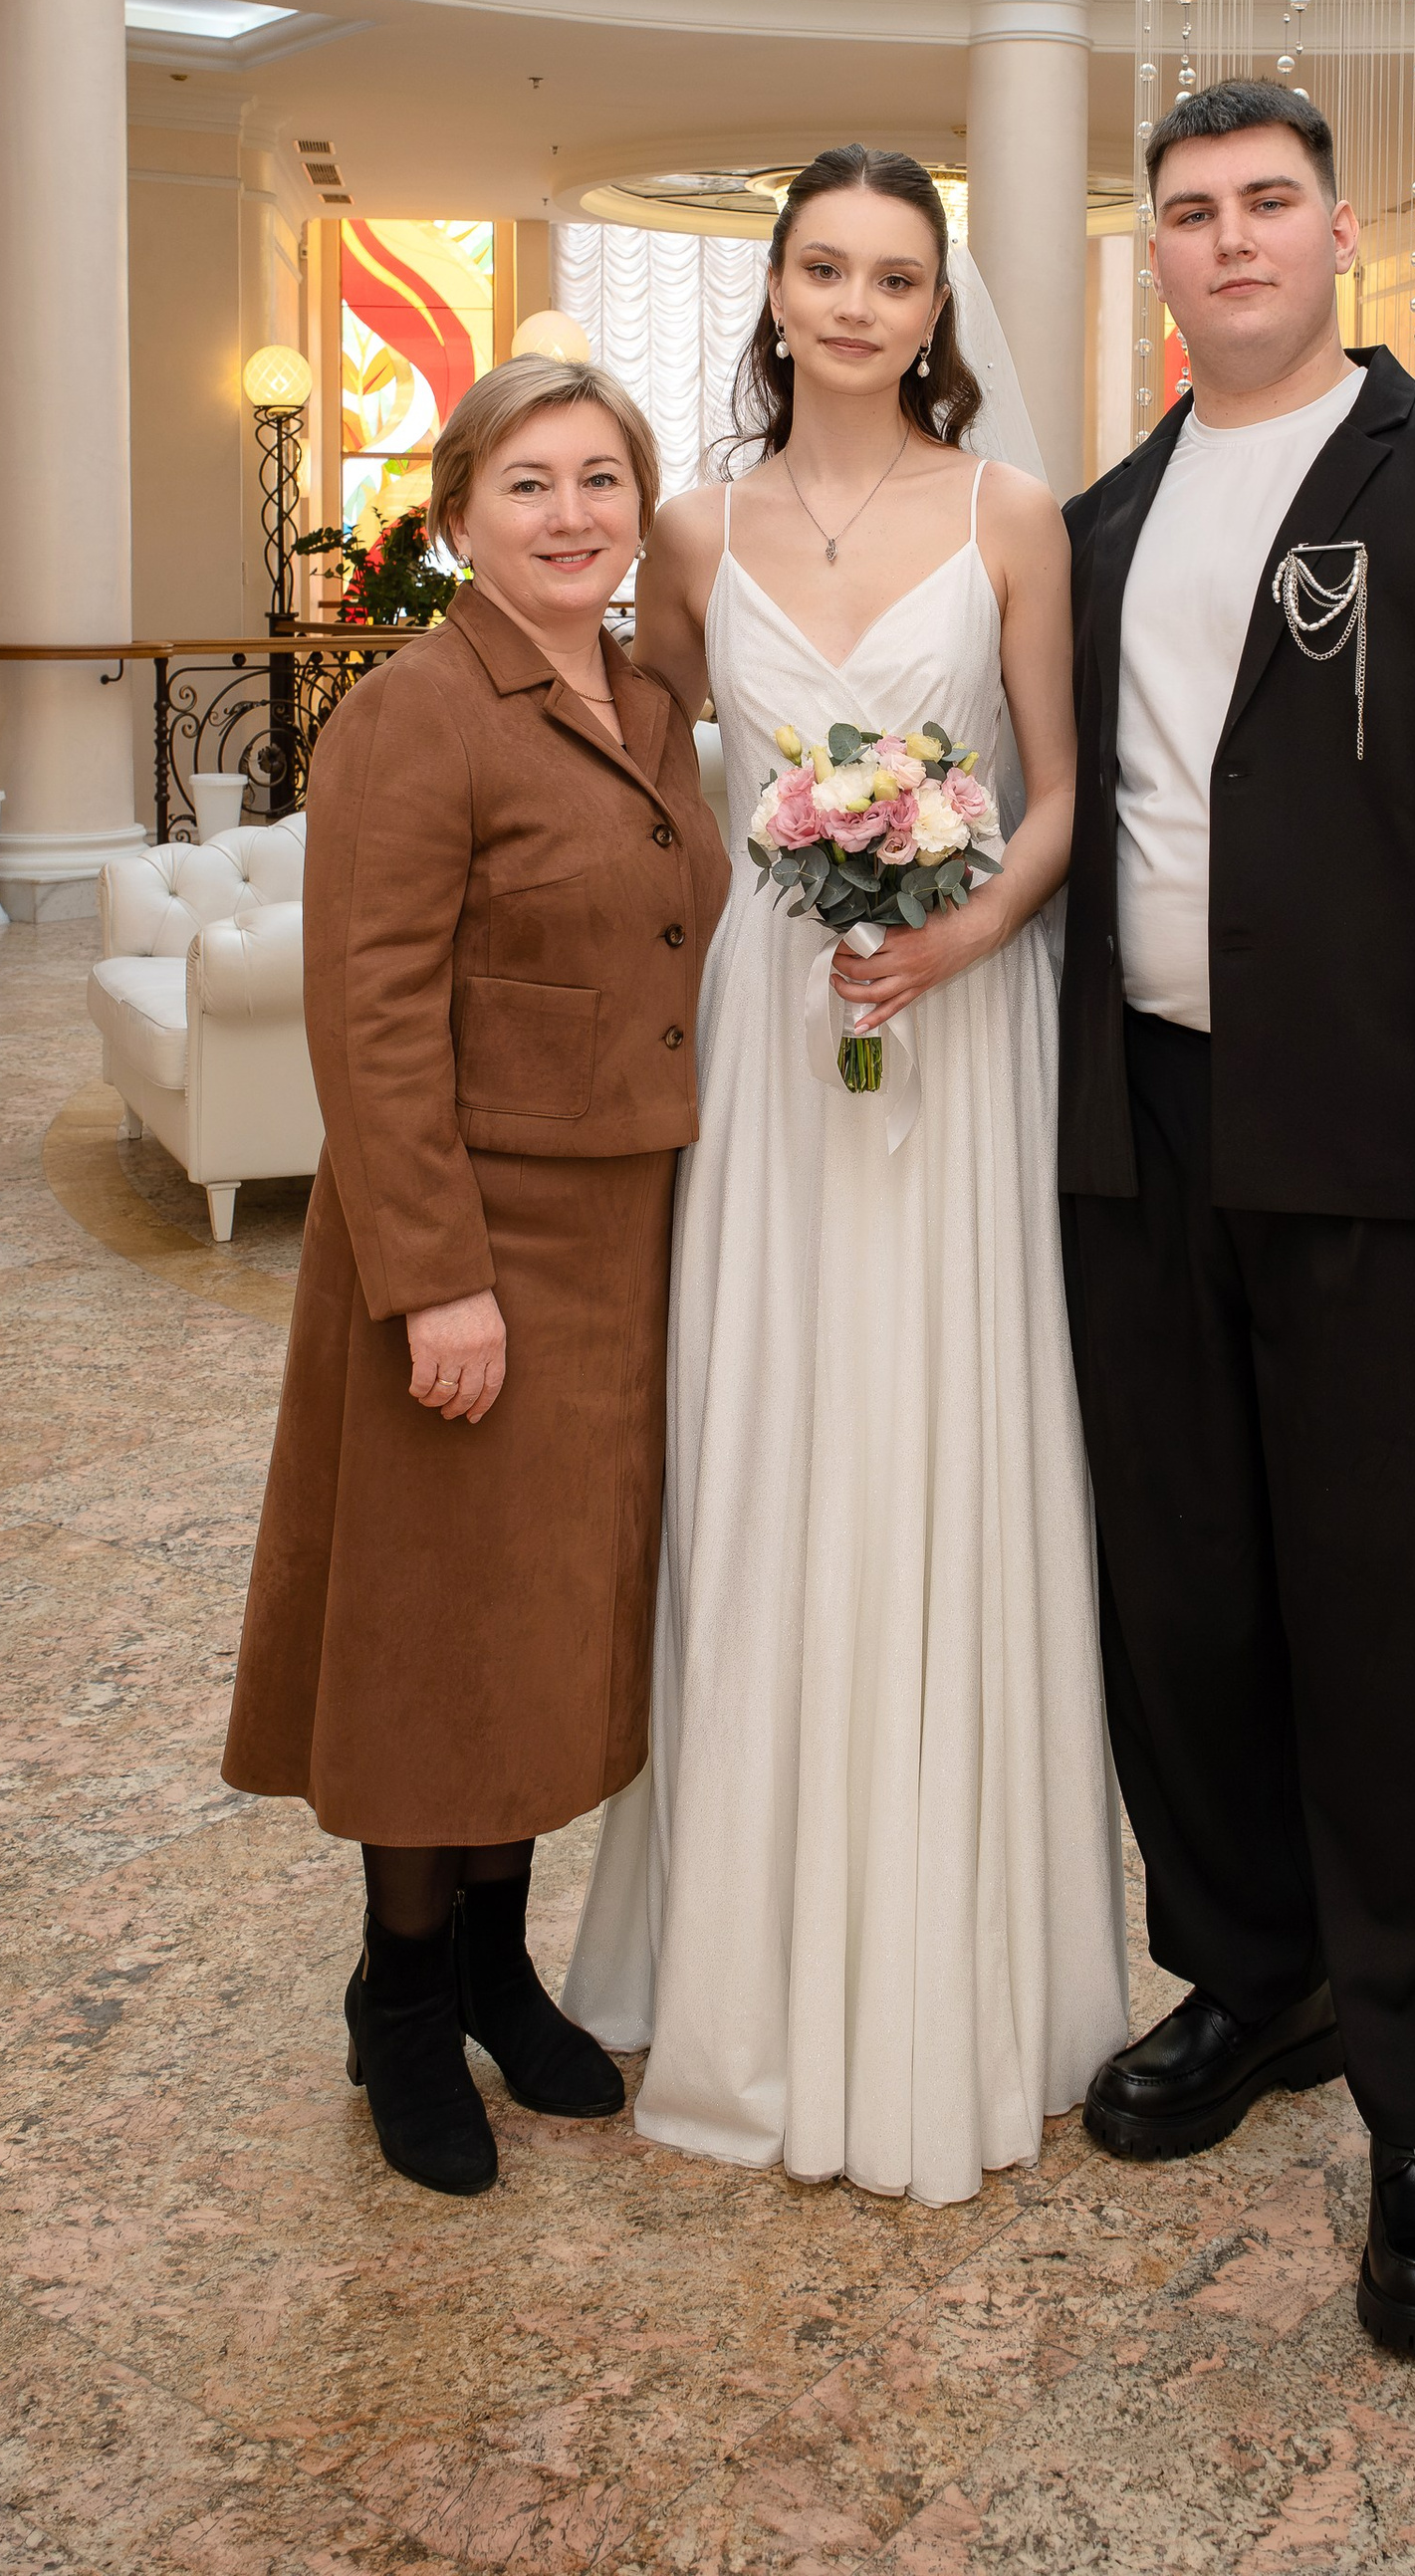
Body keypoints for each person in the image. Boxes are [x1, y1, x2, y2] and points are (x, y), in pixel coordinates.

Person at [1058, 79, 1415, 2355]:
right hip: (1144, 1136)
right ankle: (1253, 1971)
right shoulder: (1097, 522)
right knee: (1184, 1596)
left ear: (1337, 230)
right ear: (1152, 252)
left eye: (1265, 202)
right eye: (1189, 211)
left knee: (1411, 1632)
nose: (1228, 239)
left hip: (1397, 1173)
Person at [567, 146, 1127, 2206]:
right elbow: (649, 782)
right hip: (767, 1038)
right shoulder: (689, 532)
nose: (859, 305)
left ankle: (954, 1963)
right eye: (826, 267)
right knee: (767, 1434)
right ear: (776, 289)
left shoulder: (1009, 517)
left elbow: (1057, 796)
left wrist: (959, 933)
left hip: (953, 1028)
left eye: (897, 275)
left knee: (936, 1437)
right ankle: (743, 1958)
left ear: (935, 307)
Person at [222, 351, 728, 2198]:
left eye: (601, 479)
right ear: (453, 520)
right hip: (473, 1243)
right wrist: (436, 1277)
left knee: (545, 1622)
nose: (572, 514)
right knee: (437, 1630)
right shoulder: (412, 715)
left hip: (622, 1237)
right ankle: (404, 1996)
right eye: (528, 484)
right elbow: (369, 1020)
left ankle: (503, 1966)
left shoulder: (648, 701)